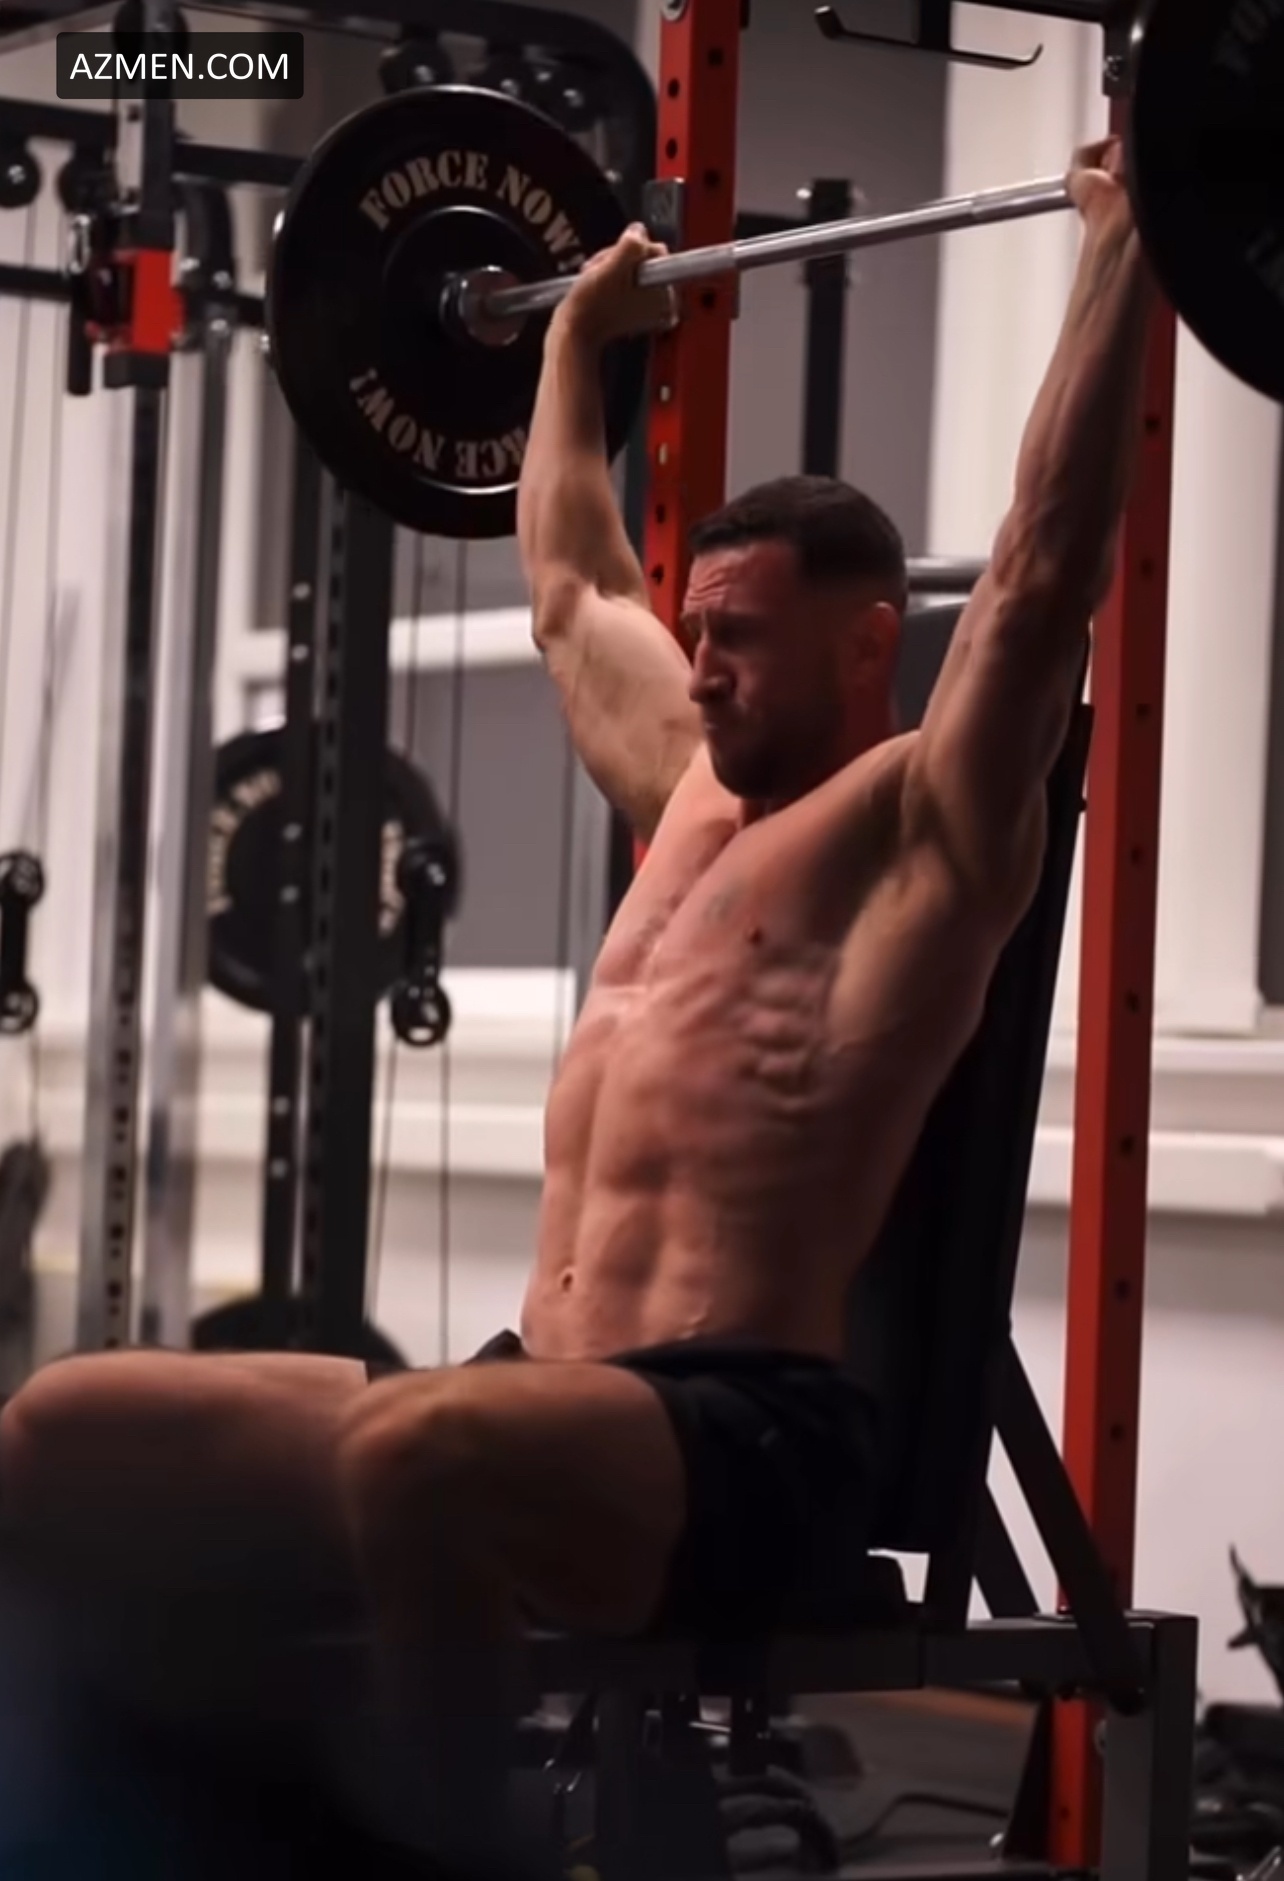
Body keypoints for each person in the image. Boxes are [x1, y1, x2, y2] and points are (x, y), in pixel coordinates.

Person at [0, 137, 1153, 1875]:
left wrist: (1126, 245)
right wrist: (560, 341)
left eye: (741, 639)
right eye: (700, 631)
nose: (704, 668)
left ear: (868, 645)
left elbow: (1047, 564)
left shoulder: (930, 827)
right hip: (534, 1392)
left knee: (422, 1449)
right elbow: (570, 584)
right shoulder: (687, 796)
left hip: (741, 1437)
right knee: (64, 1434)